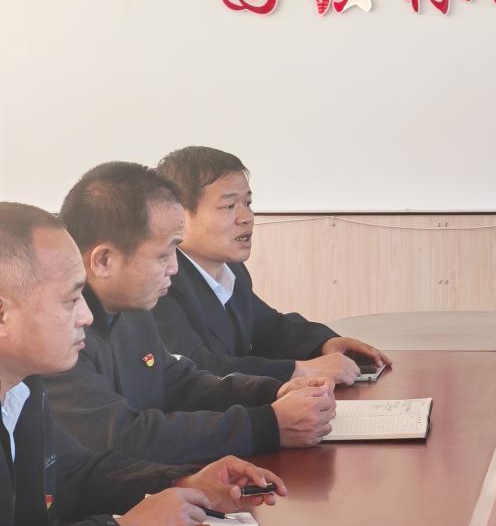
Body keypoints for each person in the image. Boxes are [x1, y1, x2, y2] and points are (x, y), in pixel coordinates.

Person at [0, 202, 287, 526]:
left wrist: (184, 482)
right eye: (70, 300)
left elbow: (74, 472)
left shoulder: (23, 386)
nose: (85, 316)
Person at [45, 163, 335, 465]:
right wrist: (266, 425)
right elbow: (123, 437)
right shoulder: (58, 334)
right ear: (104, 260)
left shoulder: (131, 309)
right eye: (163, 255)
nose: (174, 267)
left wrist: (272, 392)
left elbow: (176, 382)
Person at [153, 146, 390, 384]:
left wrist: (324, 343)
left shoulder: (231, 270)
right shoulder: (159, 284)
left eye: (248, 202)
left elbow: (267, 328)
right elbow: (198, 367)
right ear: (177, 216)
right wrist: (300, 371)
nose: (247, 217)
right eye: (229, 206)